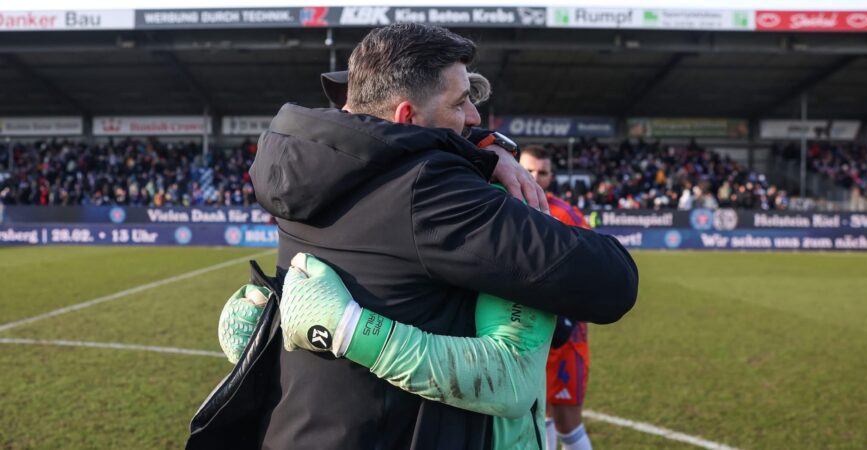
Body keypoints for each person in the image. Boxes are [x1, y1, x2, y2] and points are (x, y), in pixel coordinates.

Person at [189, 23, 637, 450]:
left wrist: (482, 146)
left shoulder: (300, 165)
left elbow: (374, 124)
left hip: (297, 426)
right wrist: (483, 156)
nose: (474, 116)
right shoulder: (428, 190)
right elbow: (612, 282)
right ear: (406, 115)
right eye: (460, 103)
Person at [519, 145, 593, 450]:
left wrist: (569, 316)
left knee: (567, 421)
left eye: (543, 172)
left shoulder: (567, 215)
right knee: (537, 415)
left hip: (564, 337)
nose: (536, 177)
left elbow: (591, 269)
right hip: (522, 333)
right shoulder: (502, 205)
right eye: (529, 170)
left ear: (551, 176)